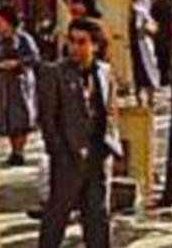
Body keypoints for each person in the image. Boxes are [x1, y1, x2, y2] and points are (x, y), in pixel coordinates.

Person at [37, 18, 122, 248]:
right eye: (72, 41)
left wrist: (111, 146)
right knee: (56, 218)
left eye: (81, 42)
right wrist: (58, 152)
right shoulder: (54, 73)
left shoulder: (104, 72)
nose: (75, 47)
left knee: (97, 218)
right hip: (68, 156)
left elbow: (111, 109)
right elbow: (47, 119)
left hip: (98, 155)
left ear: (94, 45)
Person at [0, 5, 40, 166]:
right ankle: (12, 149)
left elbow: (34, 58)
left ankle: (19, 151)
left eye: (1, 21)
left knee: (20, 116)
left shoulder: (23, 38)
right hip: (2, 83)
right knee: (5, 116)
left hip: (19, 82)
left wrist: (17, 63)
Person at [128, 0, 161, 105]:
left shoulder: (140, 10)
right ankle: (142, 98)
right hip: (141, 46)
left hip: (144, 45)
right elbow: (140, 28)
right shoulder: (138, 10)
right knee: (143, 71)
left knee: (147, 70)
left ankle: (147, 98)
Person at [150, 0, 172, 86]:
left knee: (162, 58)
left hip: (162, 33)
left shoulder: (159, 1)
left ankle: (164, 79)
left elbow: (153, 15)